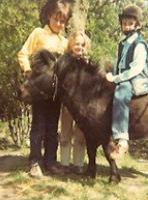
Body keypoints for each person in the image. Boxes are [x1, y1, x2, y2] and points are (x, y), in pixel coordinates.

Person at [17, 0, 73, 178]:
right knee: (38, 125)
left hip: (55, 93)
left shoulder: (64, 42)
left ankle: (50, 161)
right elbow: (23, 53)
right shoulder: (38, 33)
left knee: (52, 127)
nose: (59, 24)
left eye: (63, 21)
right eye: (56, 19)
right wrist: (27, 70)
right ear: (49, 16)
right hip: (39, 90)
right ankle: (35, 161)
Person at [106, 4, 148, 159]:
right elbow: (118, 63)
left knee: (120, 94)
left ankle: (122, 139)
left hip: (137, 79)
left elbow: (136, 68)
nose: (126, 27)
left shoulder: (139, 44)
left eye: (130, 24)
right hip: (124, 77)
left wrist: (117, 78)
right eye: (124, 23)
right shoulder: (122, 44)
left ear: (138, 25)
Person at [59, 31, 91, 174]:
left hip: (82, 106)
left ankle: (78, 163)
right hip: (67, 105)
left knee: (81, 134)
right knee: (65, 132)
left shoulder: (87, 63)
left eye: (82, 45)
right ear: (71, 44)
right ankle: (65, 163)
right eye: (77, 44)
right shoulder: (64, 61)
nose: (79, 47)